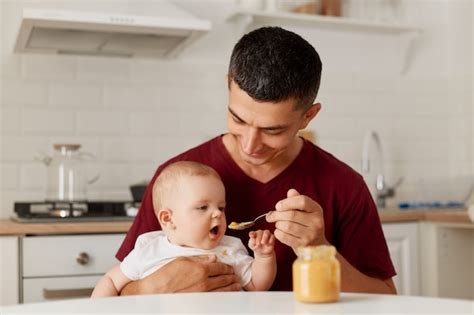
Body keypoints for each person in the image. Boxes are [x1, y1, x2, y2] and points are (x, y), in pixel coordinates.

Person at [117, 26, 397, 295]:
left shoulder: (344, 185)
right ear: (228, 83)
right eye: (238, 119)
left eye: (272, 130)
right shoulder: (177, 179)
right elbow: (118, 292)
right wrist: (155, 287)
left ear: (308, 116)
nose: (250, 144)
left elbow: (385, 299)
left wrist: (319, 249)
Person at [92, 161, 276, 297]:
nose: (218, 214)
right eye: (203, 207)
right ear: (168, 218)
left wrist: (264, 257)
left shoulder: (229, 248)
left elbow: (256, 285)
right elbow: (110, 281)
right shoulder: (150, 250)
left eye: (221, 207)